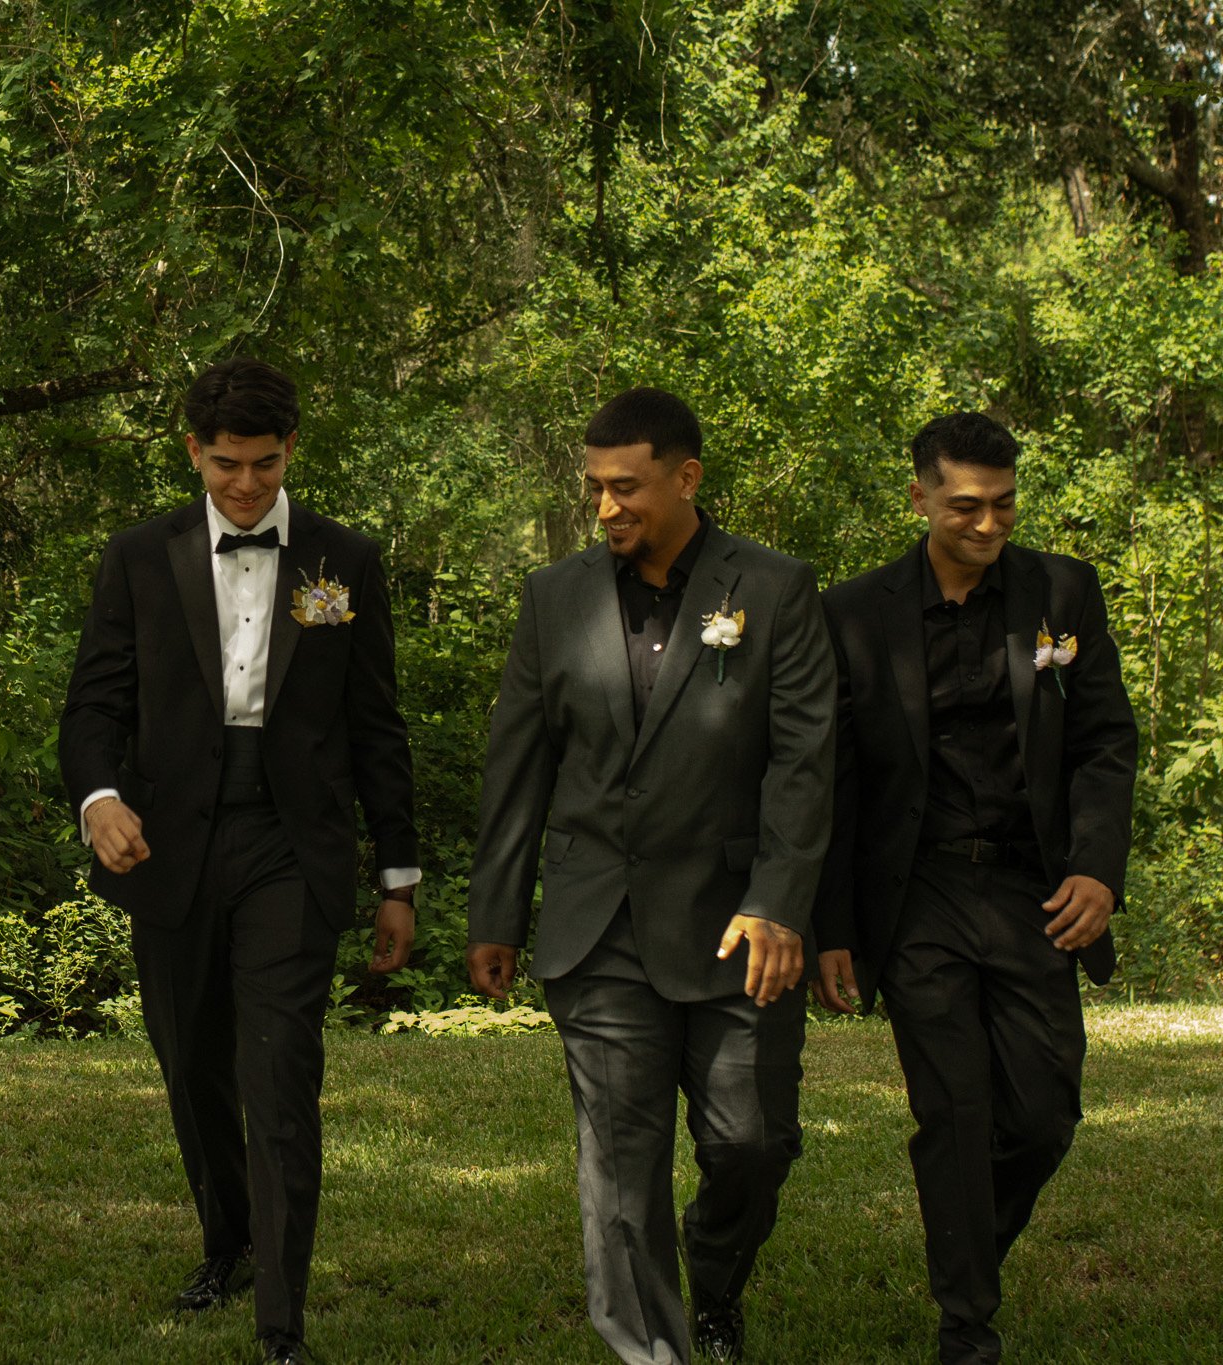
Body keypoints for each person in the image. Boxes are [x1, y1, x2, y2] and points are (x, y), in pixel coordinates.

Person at [59, 357, 420, 1365]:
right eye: (227, 465)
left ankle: (280, 1320)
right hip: (168, 843)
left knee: (279, 1070)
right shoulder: (139, 556)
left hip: (290, 845)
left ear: (291, 449)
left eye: (265, 464)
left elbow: (376, 726)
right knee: (191, 1065)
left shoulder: (344, 560)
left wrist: (396, 878)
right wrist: (98, 800)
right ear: (193, 452)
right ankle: (228, 1240)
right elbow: (92, 706)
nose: (247, 484)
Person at [467, 387, 835, 1364]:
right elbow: (518, 765)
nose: (605, 507)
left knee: (751, 1144)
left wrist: (776, 903)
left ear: (686, 477)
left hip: (735, 927)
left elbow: (803, 762)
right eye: (595, 486)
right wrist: (495, 914)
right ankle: (653, 1351)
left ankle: (714, 1275)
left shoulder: (776, 589)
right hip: (598, 925)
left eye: (625, 487)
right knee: (621, 1174)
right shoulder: (553, 597)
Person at [811, 411, 1137, 1364]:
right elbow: (832, 779)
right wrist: (833, 925)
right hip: (918, 891)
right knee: (952, 1107)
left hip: (1036, 889)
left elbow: (1105, 740)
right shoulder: (853, 612)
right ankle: (967, 1326)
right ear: (919, 497)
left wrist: (1096, 867)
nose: (988, 524)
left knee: (1042, 1115)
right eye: (965, 506)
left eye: (1003, 504)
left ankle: (965, 1247)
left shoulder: (1063, 592)